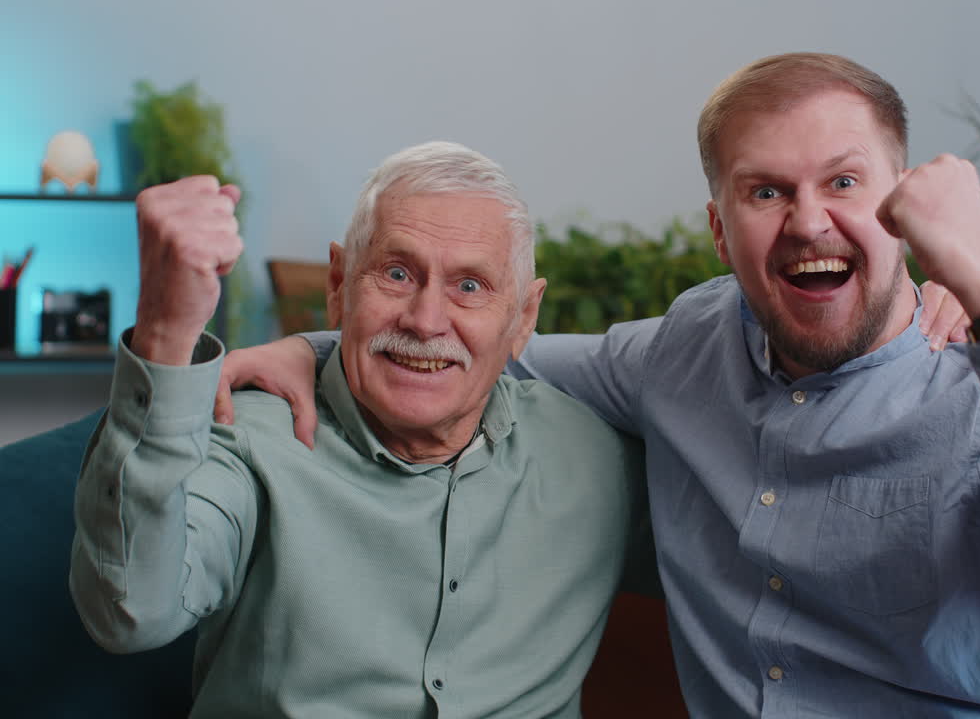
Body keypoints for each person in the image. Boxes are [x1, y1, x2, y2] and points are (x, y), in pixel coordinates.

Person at [220, 53, 980, 717]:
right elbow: (485, 347)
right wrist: (320, 346)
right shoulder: (686, 346)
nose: (807, 220)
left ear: (904, 205)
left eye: (843, 183)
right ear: (719, 228)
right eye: (765, 191)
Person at [69, 142, 648, 718]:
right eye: (397, 274)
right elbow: (130, 612)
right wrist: (168, 332)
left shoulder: (596, 457)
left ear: (524, 316)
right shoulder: (247, 437)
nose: (425, 321)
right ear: (339, 285)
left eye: (469, 287)